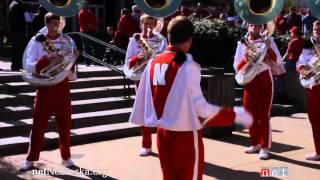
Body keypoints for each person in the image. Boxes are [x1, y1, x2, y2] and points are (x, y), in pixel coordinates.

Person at [129, 16, 252, 179]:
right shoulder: (189, 66)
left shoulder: (153, 62)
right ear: (189, 40)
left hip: (163, 134)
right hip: (185, 135)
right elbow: (201, 108)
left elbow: (143, 100)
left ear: (169, 36)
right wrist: (233, 114)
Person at [19, 13, 79, 171]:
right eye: (53, 23)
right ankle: (31, 159)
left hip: (63, 87)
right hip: (45, 87)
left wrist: (73, 60)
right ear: (46, 23)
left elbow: (71, 71)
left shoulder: (67, 41)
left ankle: (66, 157)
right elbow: (29, 65)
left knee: (65, 125)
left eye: (58, 23)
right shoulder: (37, 41)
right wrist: (48, 59)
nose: (57, 26)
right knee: (38, 125)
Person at [234, 24, 282, 160]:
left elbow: (278, 61)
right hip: (249, 79)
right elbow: (235, 64)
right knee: (250, 113)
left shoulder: (268, 41)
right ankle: (254, 143)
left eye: (257, 25)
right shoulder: (242, 43)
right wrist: (246, 58)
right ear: (247, 27)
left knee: (263, 115)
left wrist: (268, 48)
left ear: (261, 27)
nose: (254, 27)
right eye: (251, 24)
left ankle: (264, 147)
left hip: (264, 79)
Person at [124, 14, 168, 156]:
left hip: (157, 77)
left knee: (161, 110)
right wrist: (140, 56)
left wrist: (156, 57)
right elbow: (128, 63)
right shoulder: (135, 40)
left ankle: (165, 144)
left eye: (150, 23)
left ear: (155, 24)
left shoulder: (162, 41)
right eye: (145, 23)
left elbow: (167, 59)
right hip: (141, 78)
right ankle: (146, 144)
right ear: (141, 24)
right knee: (144, 111)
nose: (148, 26)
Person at [296, 20, 320, 161]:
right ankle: (318, 152)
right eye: (315, 29)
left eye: (319, 29)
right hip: (313, 87)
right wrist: (302, 69)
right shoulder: (307, 44)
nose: (317, 31)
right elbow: (301, 62)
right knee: (314, 120)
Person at [77, 0, 99, 66]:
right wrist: (94, 27)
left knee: (94, 47)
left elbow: (95, 20)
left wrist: (96, 25)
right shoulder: (81, 13)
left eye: (87, 4)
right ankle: (87, 62)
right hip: (85, 32)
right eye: (85, 4)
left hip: (92, 32)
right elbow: (84, 25)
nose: (87, 6)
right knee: (86, 48)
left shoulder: (89, 12)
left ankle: (95, 62)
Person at [8, 0, 26, 71]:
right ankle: (17, 65)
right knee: (19, 48)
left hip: (15, 31)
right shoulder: (17, 5)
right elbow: (18, 19)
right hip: (18, 31)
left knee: (16, 48)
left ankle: (15, 64)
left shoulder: (13, 4)